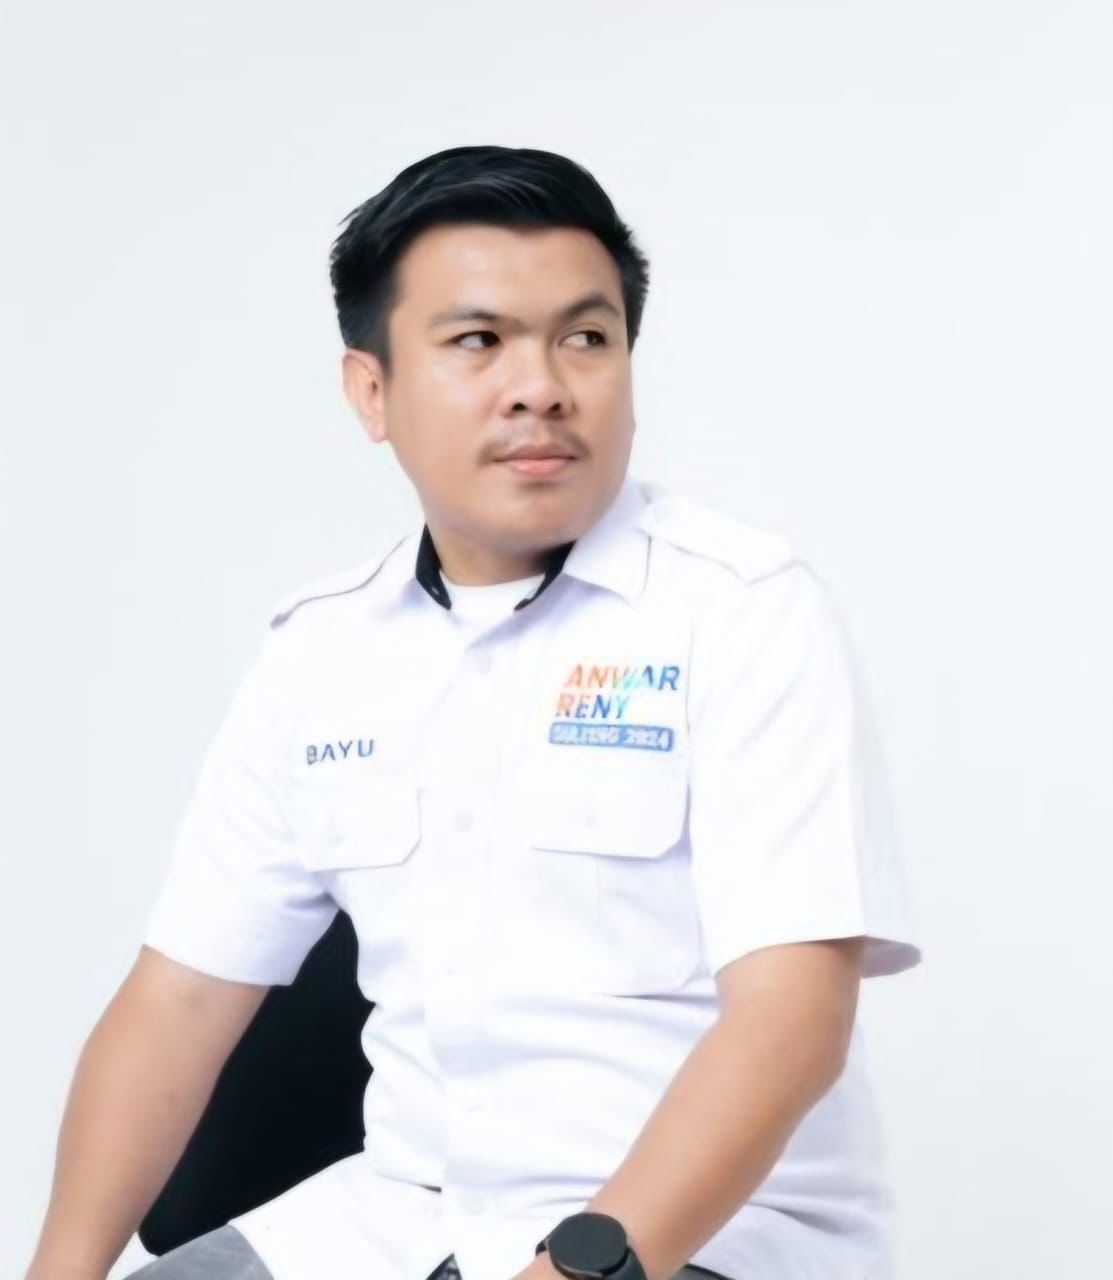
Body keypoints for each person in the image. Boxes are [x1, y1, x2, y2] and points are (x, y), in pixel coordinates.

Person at [24, 145, 921, 1280]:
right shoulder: (322, 651)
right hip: (397, 1215)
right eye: (478, 341)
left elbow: (791, 1021)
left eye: (585, 338)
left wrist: (571, 1269)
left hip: (699, 1234)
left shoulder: (741, 612)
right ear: (372, 392)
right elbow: (181, 999)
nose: (540, 385)